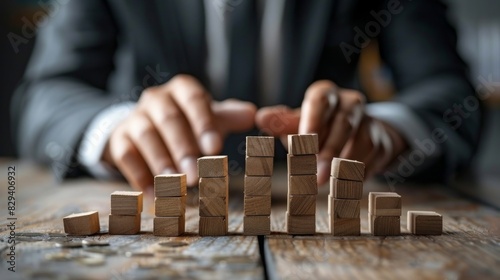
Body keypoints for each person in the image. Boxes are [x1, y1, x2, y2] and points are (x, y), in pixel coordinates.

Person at [12, 0, 482, 191]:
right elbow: (46, 94)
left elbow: (449, 90)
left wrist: (392, 131)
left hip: (323, 192)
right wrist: (115, 128)